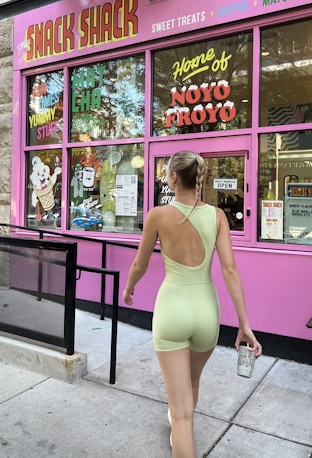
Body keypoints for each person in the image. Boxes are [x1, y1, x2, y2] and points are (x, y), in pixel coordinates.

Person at [123, 150, 262, 458]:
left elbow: (139, 265)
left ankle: (180, 428)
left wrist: (129, 288)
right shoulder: (217, 216)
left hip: (172, 310)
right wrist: (244, 324)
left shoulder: (157, 215)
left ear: (174, 177)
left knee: (181, 416)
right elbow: (230, 270)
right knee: (191, 384)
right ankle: (180, 428)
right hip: (206, 312)